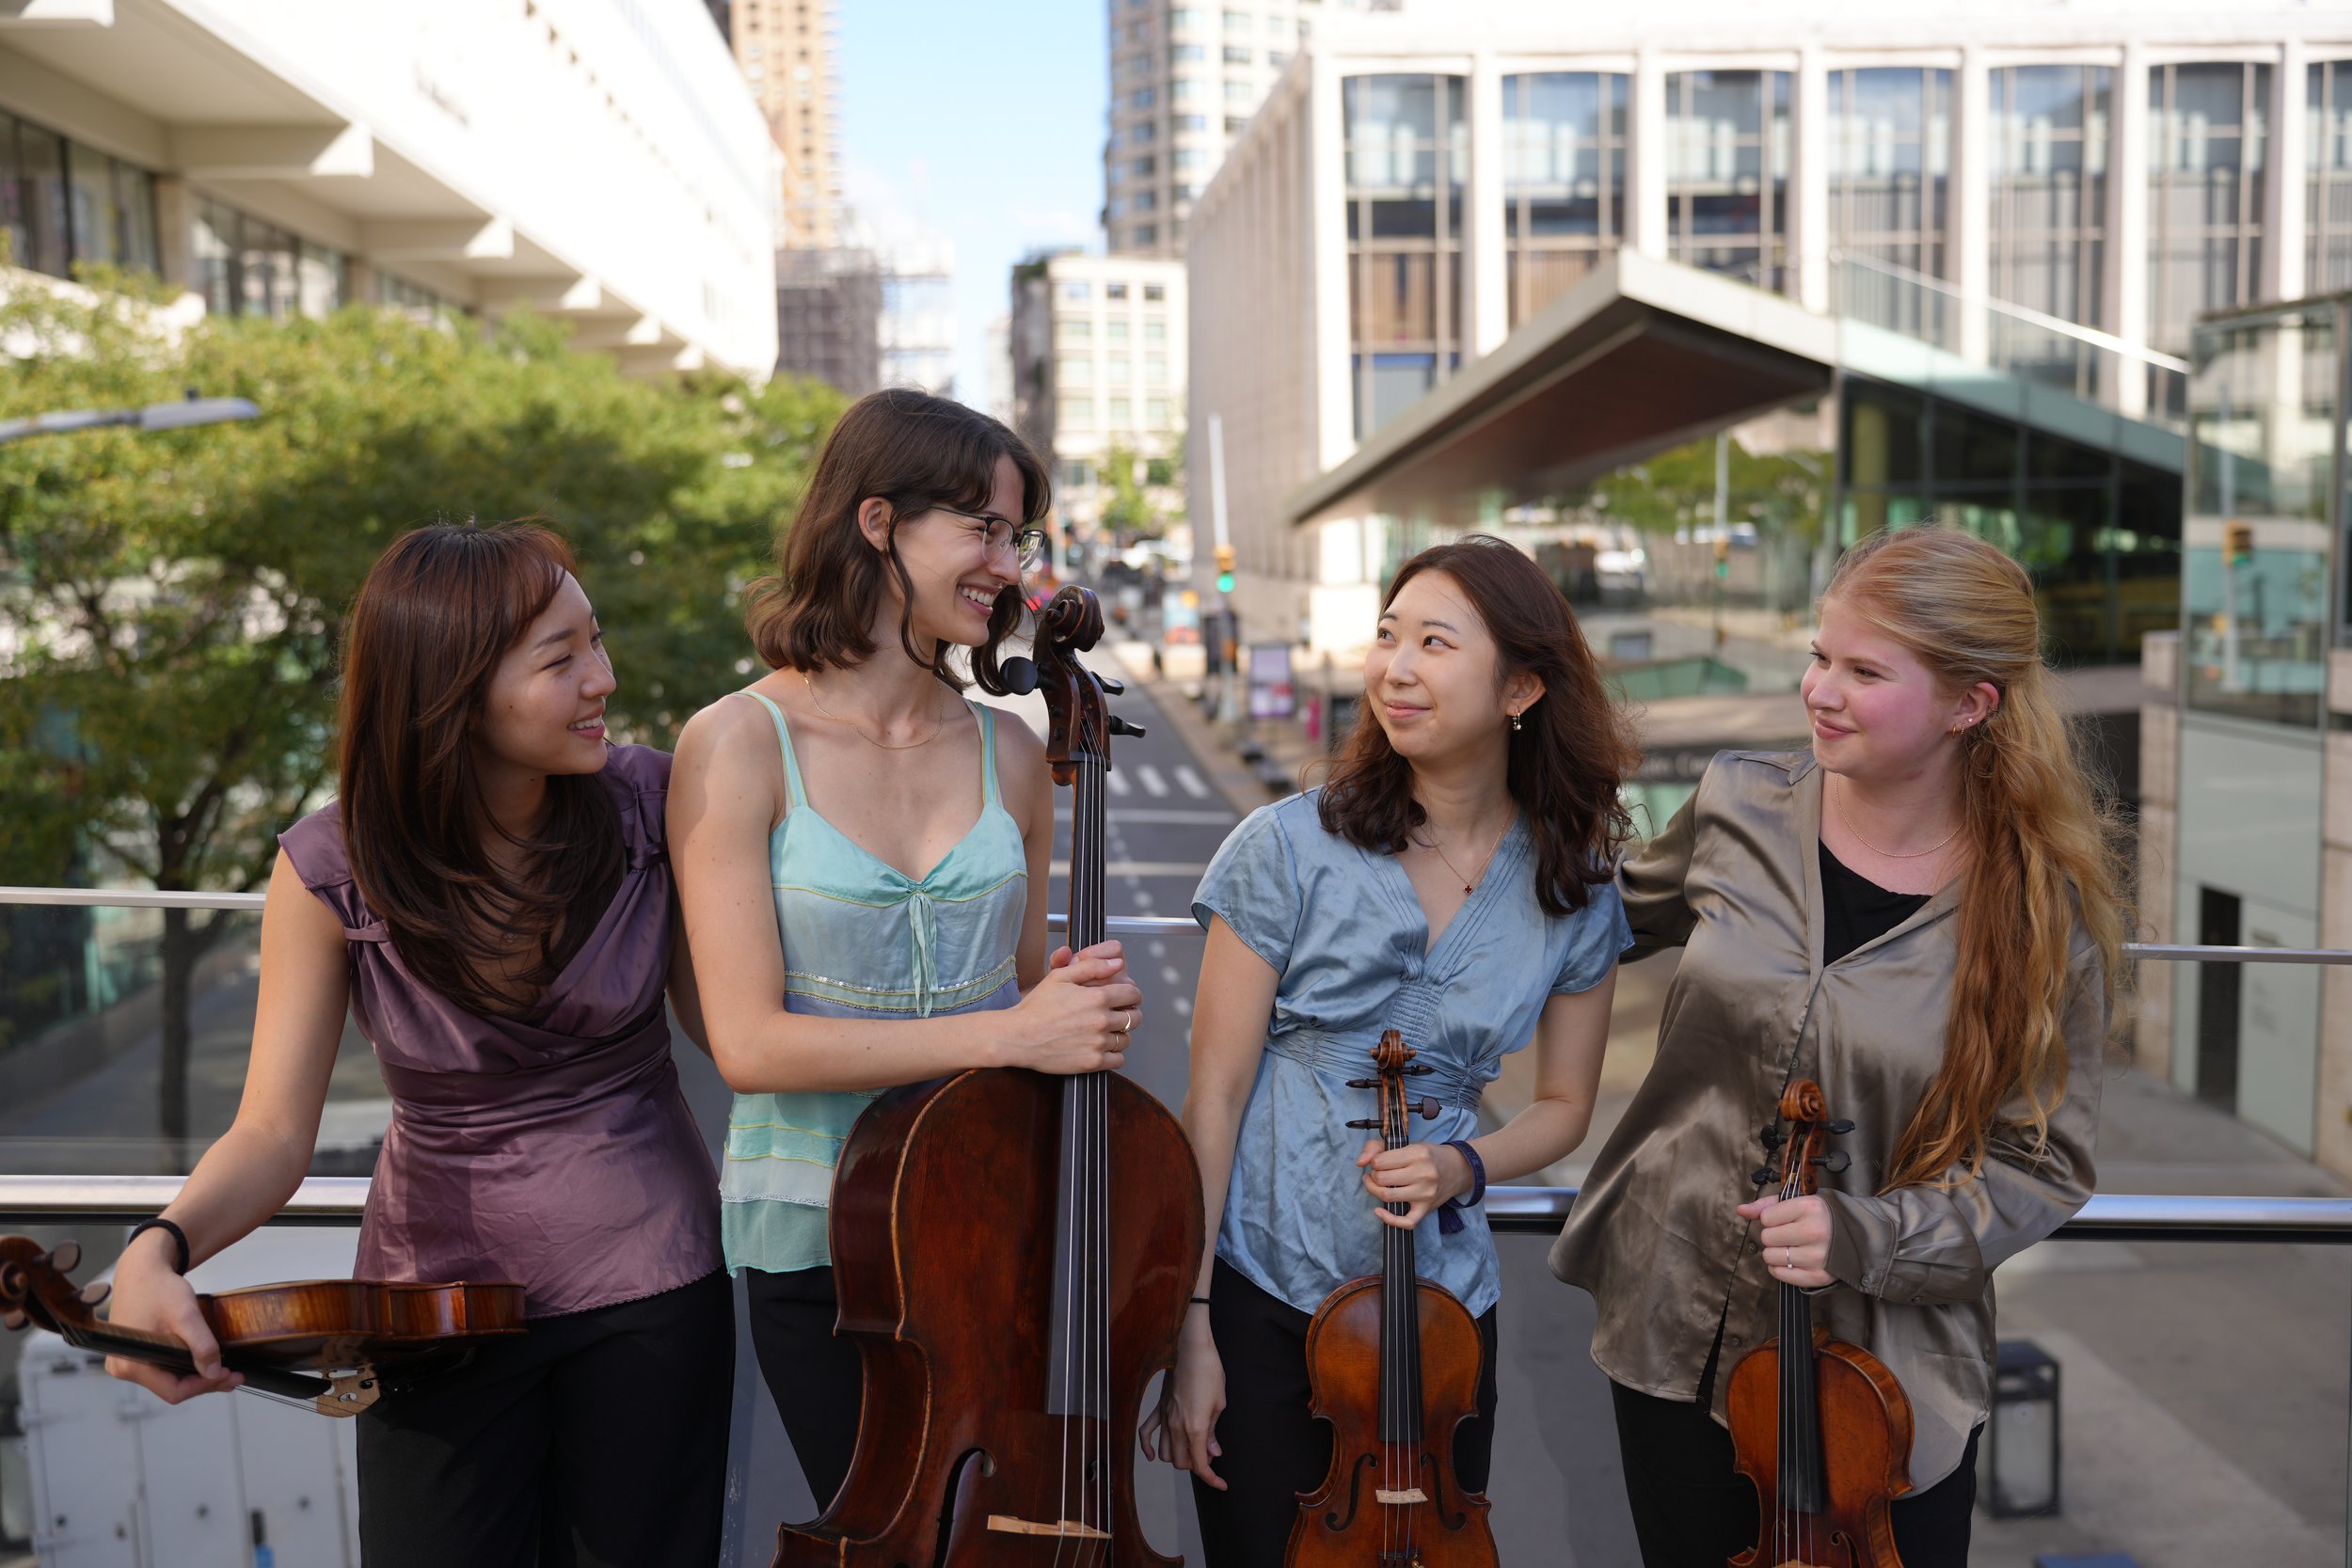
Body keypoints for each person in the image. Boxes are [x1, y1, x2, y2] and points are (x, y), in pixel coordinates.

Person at [104, 521, 733, 1567]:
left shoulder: (653, 805)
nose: (604, 679)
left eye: (598, 641)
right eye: (562, 655)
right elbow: (268, 1131)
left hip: (653, 1283)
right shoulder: (325, 867)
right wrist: (155, 1246)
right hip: (428, 1306)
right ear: (453, 689)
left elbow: (738, 1033)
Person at [1553, 523, 2127, 1567]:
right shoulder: (1738, 802)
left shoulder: (2040, 912)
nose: (1820, 689)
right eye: (1820, 655)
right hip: (1671, 1316)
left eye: (1863, 670)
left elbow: (2039, 1165)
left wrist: (1862, 1232)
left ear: (1969, 704)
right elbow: (1578, 925)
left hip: (1885, 1377)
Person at [668, 387, 1144, 1513]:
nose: (1008, 562)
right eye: (981, 528)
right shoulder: (737, 742)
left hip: (995, 1217)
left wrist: (1073, 1015)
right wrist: (1012, 1028)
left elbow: (1030, 1002)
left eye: (1018, 535)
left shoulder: (1013, 753)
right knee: (884, 1526)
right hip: (822, 1239)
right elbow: (746, 1042)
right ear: (878, 520)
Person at [1145, 535, 1640, 1567]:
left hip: (1441, 1316)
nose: (1393, 667)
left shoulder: (1574, 885)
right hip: (1259, 1287)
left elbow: (1561, 1107)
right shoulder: (1285, 846)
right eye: (1385, 634)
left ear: (1521, 688)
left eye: (1432, 641)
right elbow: (1215, 1097)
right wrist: (1189, 1324)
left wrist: (1465, 1162)